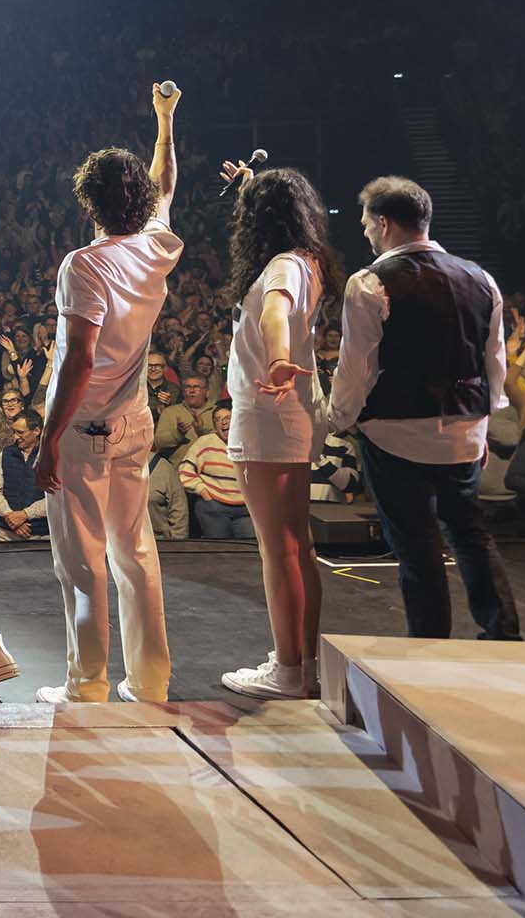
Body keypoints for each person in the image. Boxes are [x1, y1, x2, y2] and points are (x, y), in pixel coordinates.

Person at [33, 83, 183, 704]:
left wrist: (47, 440)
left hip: (85, 430)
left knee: (83, 563)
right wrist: (164, 119)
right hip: (134, 424)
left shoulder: (85, 265)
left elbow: (78, 359)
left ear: (87, 202)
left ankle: (87, 685)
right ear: (140, 200)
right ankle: (150, 684)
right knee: (136, 555)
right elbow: (165, 183)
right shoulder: (156, 246)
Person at [326, 176, 520, 641]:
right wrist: (482, 425)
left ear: (385, 222)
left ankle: (432, 644)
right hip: (464, 429)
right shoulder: (481, 278)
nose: (365, 232)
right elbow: (494, 360)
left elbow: (358, 369)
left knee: (417, 546)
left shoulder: (369, 282)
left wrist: (338, 419)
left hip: (395, 433)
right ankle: (503, 634)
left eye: (367, 223)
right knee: (470, 534)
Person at [213, 163, 342, 699]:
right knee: (297, 544)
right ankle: (302, 663)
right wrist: (251, 185)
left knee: (278, 547)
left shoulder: (283, 267)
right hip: (292, 410)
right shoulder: (307, 258)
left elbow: (274, 309)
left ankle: (288, 671)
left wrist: (280, 357)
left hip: (269, 409)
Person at [179, 406, 253, 538]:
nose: (223, 422)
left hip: (245, 509)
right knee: (220, 552)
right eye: (218, 420)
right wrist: (202, 491)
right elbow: (185, 470)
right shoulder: (205, 442)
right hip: (214, 506)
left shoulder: (250, 443)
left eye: (227, 418)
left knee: (249, 552)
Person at [0, 409, 49, 541]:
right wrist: (11, 518)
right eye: (14, 432)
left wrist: (25, 515)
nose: (15, 437)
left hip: (41, 535)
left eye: (20, 432)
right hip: (7, 534)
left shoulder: (49, 456)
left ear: (36, 431)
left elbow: (55, 498)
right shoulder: (6, 454)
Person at [154, 375, 216, 465]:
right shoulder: (170, 412)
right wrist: (179, 434)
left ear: (207, 392)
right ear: (183, 392)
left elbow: (224, 442)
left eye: (196, 387)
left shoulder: (217, 413)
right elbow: (160, 443)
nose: (191, 391)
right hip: (176, 471)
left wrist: (202, 431)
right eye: (188, 387)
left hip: (210, 470)